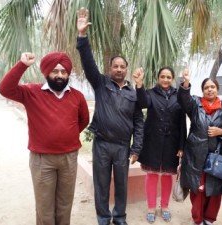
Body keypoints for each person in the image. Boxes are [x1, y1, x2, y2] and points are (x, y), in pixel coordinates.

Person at [0, 52, 90, 225]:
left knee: (65, 205)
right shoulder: (32, 92)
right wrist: (22, 64)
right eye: (55, 71)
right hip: (42, 160)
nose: (60, 75)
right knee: (44, 207)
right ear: (47, 72)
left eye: (64, 72)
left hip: (69, 159)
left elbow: (83, 120)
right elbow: (5, 89)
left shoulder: (77, 96)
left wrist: (67, 135)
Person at [76, 8, 144, 225]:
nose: (118, 69)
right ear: (110, 68)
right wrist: (82, 37)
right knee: (102, 184)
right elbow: (88, 63)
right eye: (115, 66)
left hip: (123, 147)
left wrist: (136, 148)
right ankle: (104, 218)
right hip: (102, 145)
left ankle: (120, 217)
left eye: (122, 66)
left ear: (126, 69)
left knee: (122, 185)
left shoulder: (133, 93)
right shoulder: (101, 83)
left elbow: (138, 122)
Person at [177, 69, 222, 225]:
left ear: (217, 89)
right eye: (206, 87)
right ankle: (198, 219)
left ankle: (209, 218)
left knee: (214, 190)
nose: (210, 89)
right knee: (198, 188)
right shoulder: (195, 104)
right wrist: (186, 82)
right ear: (202, 90)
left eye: (212, 87)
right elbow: (183, 99)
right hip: (196, 154)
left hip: (217, 156)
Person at [132, 67, 187, 223]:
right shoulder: (150, 93)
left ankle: (165, 207)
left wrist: (182, 146)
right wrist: (139, 84)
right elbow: (143, 103)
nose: (165, 79)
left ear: (173, 78)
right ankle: (151, 207)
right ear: (158, 78)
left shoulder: (179, 96)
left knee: (167, 176)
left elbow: (182, 123)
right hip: (152, 141)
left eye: (169, 77)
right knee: (152, 175)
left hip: (172, 142)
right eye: (162, 76)